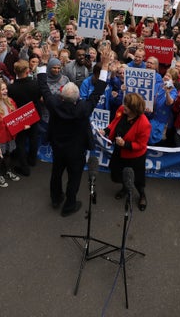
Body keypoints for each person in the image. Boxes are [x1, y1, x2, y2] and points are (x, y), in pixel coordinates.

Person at [38, 46, 111, 217]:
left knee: (56, 173)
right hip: (77, 150)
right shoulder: (84, 108)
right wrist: (105, 65)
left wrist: (43, 62)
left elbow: (43, 86)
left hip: (58, 147)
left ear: (62, 96)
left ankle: (56, 198)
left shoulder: (54, 104)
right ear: (78, 98)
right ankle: (69, 204)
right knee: (74, 177)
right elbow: (99, 89)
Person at [103, 93, 152, 211]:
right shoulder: (122, 111)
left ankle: (142, 195)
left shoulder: (144, 124)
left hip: (134, 156)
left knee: (138, 178)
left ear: (134, 109)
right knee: (121, 173)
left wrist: (125, 144)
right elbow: (114, 122)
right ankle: (125, 189)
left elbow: (141, 145)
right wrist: (106, 130)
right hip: (120, 152)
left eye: (127, 105)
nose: (123, 106)